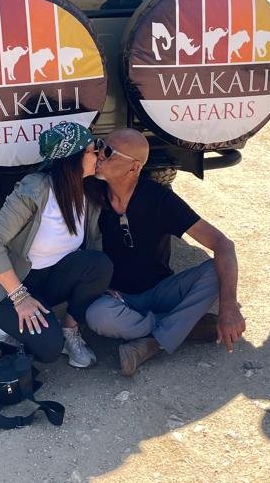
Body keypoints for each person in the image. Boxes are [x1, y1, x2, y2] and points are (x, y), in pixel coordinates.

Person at [85, 129, 246, 376]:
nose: (99, 155)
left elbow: (223, 244)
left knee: (216, 270)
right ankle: (183, 326)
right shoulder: (92, 194)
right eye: (99, 146)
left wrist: (229, 306)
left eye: (108, 152)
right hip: (117, 298)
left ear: (134, 167)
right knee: (97, 317)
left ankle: (153, 343)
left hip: (161, 290)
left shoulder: (159, 200)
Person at [0, 122, 111, 367]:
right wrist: (20, 298)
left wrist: (99, 287)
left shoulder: (88, 192)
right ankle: (6, 328)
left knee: (100, 265)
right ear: (73, 159)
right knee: (49, 350)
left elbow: (93, 249)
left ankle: (70, 331)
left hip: (49, 280)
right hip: (10, 289)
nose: (99, 155)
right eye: (94, 150)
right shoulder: (35, 189)